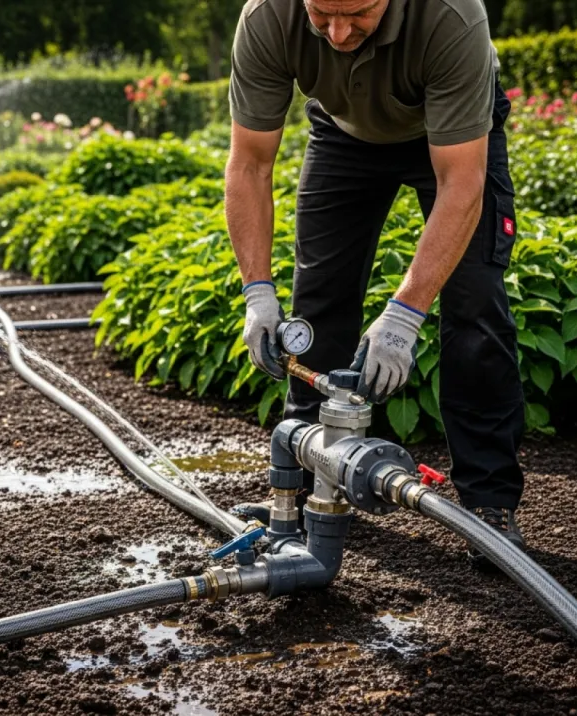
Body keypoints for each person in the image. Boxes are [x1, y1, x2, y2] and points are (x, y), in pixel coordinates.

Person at [225, 0, 526, 567]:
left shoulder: (451, 17)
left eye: (357, 14)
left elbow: (462, 183)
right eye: (321, 14)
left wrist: (405, 315)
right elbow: (250, 164)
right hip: (343, 132)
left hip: (452, 137)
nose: (338, 33)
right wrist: (257, 292)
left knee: (475, 304)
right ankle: (308, 486)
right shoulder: (268, 16)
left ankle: (490, 504)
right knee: (319, 301)